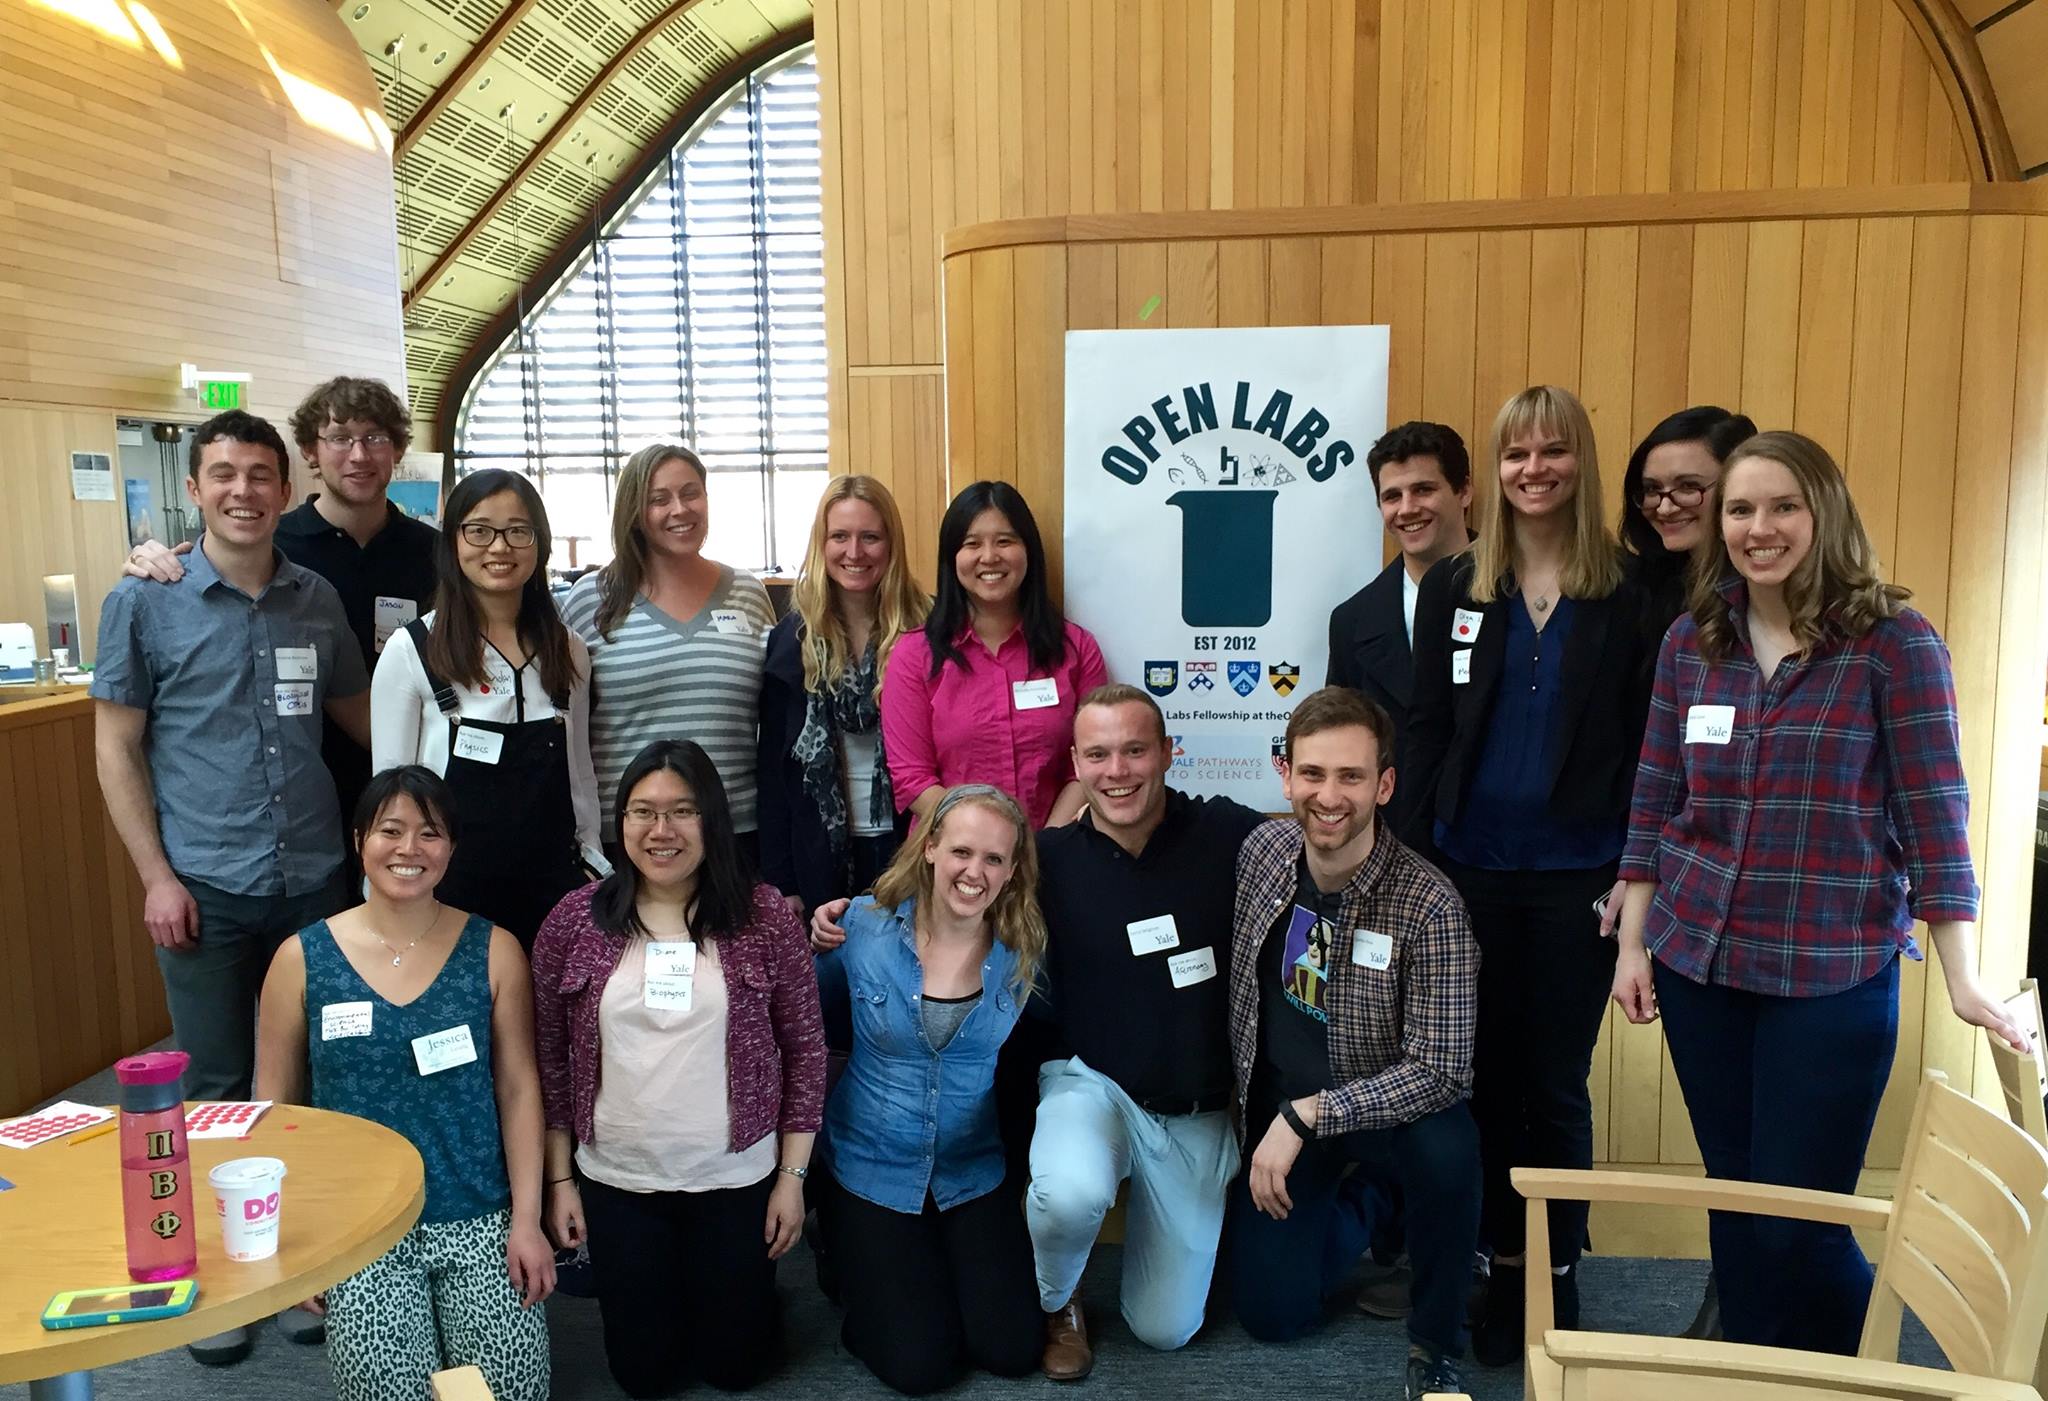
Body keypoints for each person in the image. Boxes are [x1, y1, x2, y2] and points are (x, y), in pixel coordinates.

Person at [1610, 431, 2027, 1355]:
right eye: (1741, 510)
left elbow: (1934, 817)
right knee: (1735, 1201)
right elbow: (1654, 801)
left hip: (1831, 972)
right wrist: (1634, 944)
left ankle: (1849, 1373)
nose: (1760, 528)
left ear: (1824, 513)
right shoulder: (1694, 640)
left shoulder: (1892, 643)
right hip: (1697, 961)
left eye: (1783, 506)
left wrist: (1963, 977)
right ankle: (1760, 1374)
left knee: (1799, 1222)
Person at [91, 409, 372, 1364]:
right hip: (204, 891)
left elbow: (363, 718)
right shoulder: (143, 601)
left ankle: (301, 1272)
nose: (244, 490)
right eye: (224, 474)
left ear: (285, 490)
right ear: (197, 488)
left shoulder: (317, 599)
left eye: (261, 474)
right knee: (213, 1091)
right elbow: (116, 746)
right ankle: (219, 1288)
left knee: (308, 1087)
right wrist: (155, 877)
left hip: (317, 885)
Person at [1403, 385, 1653, 1366]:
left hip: (1575, 878)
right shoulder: (1458, 584)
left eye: (1551, 452)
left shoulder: (1629, 594)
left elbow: (1648, 748)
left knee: (1550, 1086)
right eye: (1515, 455)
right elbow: (1424, 730)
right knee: (1473, 1081)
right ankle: (1491, 1259)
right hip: (1465, 870)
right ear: (1494, 473)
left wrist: (1633, 874)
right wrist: (1415, 864)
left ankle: (1551, 1273)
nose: (1532, 470)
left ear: (1579, 463)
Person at [530, 740, 824, 1396]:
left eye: (682, 810)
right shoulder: (574, 920)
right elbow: (549, 1058)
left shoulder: (765, 915)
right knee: (642, 1375)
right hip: (619, 1181)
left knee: (736, 1369)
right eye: (643, 811)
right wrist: (559, 1180)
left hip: (735, 1176)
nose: (661, 830)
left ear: (712, 819)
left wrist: (791, 1179)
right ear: (621, 821)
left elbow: (805, 1052)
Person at [254, 766, 554, 1401]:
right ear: (361, 837)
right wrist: (293, 1241)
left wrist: (527, 1221)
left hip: (478, 1215)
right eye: (391, 830)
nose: (409, 850)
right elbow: (274, 1107)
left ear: (451, 849)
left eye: (430, 834)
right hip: (359, 1226)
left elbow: (520, 1090)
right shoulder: (300, 958)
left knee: (508, 1393)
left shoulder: (495, 949)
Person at [1225, 687, 1480, 1401]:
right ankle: (1374, 1203)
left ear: (1385, 784)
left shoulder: (1430, 904)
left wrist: (1308, 1114)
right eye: (1312, 773)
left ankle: (1435, 1341)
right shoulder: (1262, 855)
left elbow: (1440, 1070)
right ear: (1285, 775)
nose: (1327, 795)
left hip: (1387, 1116)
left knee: (1449, 1146)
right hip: (1287, 1114)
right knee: (1273, 1313)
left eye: (1350, 776)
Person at [1026, 684, 1263, 1376]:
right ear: (1076, 762)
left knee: (1166, 1329)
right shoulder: (1048, 859)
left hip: (1196, 1109)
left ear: (1167, 751)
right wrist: (856, 909)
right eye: (1098, 754)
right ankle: (1057, 1299)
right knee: (1068, 1192)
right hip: (1090, 1082)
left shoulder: (1228, 833)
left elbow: (1324, 847)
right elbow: (954, 887)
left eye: (1134, 749)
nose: (1118, 770)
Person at [124, 377, 438, 840]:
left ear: (396, 449)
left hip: (409, 783)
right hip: (298, 800)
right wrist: (148, 562)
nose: (358, 454)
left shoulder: (436, 554)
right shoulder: (271, 544)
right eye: (339, 438)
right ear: (311, 450)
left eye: (375, 438)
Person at [812, 784, 1046, 1394]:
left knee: (1013, 1349)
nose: (976, 872)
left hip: (971, 1171)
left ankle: (927, 1273)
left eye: (995, 859)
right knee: (920, 1368)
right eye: (963, 852)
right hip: (872, 1166)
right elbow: (807, 1021)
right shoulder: (859, 929)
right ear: (931, 848)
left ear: (1012, 870)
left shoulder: (1024, 953)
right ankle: (844, 1259)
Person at [1615, 402, 1755, 1342]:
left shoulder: (1835, 626)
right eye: (1652, 489)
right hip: (1680, 905)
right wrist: (1631, 900)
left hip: (1802, 929)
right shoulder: (1651, 607)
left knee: (1781, 1155)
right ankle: (1736, 1297)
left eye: (1688, 487)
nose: (1667, 503)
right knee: (1729, 1142)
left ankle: (1758, 1310)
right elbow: (1650, 772)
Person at [373, 468, 606, 947]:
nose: (499, 547)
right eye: (479, 530)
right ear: (453, 539)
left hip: (554, 894)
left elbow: (580, 777)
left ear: (539, 543)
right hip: (447, 896)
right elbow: (388, 796)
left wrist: (595, 871)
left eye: (518, 531)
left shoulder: (569, 649)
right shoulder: (411, 650)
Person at [560, 444, 776, 857]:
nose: (680, 509)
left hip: (734, 831)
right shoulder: (591, 600)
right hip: (630, 837)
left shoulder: (748, 592)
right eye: (659, 499)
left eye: (690, 493)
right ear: (634, 513)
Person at [881, 481, 1106, 831]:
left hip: (1055, 853)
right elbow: (913, 779)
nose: (989, 556)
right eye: (972, 544)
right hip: (955, 859)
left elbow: (1088, 764)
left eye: (1005, 541)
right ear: (952, 557)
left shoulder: (1076, 649)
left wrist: (1041, 848)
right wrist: (991, 848)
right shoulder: (914, 656)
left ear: (1028, 550)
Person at [758, 475, 929, 920]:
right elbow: (774, 770)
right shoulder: (791, 640)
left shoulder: (929, 629)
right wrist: (783, 880)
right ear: (822, 543)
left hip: (915, 843)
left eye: (870, 537)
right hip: (819, 851)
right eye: (840, 536)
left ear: (891, 544)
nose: (854, 553)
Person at [1325, 420, 1473, 832]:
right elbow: (1342, 743)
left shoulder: (1521, 593)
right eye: (1392, 496)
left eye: (1424, 489)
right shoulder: (1351, 621)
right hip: (1398, 844)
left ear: (1464, 490)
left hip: (1501, 855)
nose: (1407, 508)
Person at [1620, 405, 1759, 629]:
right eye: (1651, 488)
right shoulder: (1638, 590)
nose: (1665, 508)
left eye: (1687, 486)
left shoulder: (1765, 593)